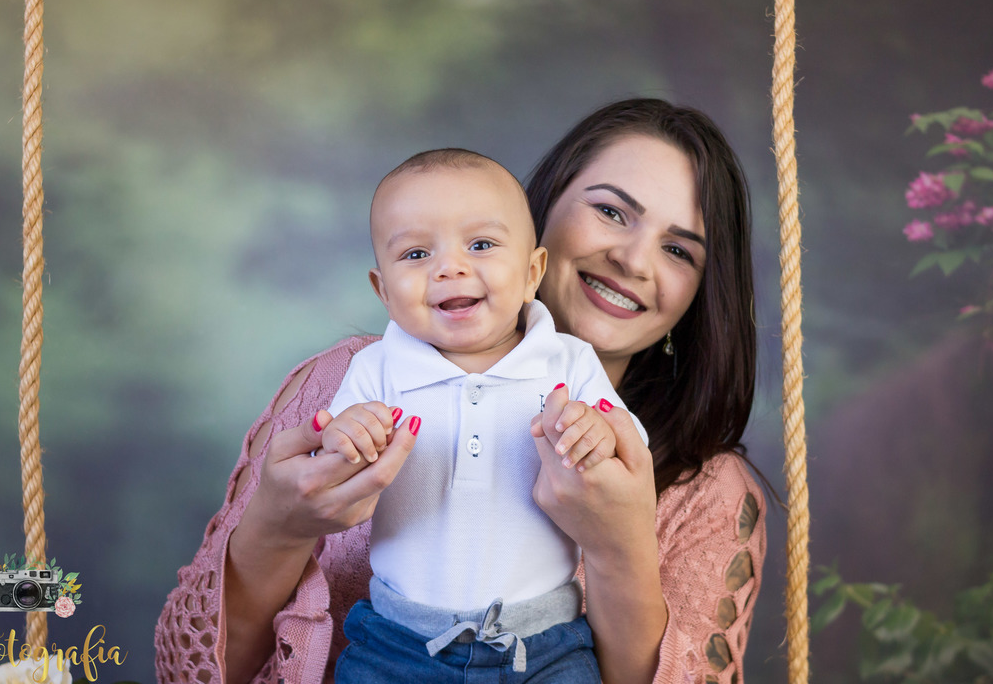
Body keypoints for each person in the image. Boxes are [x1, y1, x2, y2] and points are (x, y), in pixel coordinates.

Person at [155, 98, 767, 684]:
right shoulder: (351, 381)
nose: (634, 260)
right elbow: (187, 674)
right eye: (611, 211)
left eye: (678, 250)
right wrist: (279, 529)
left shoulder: (710, 497)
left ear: (698, 295)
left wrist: (619, 550)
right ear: (538, 222)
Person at [320, 148, 644, 682]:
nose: (451, 266)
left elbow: (631, 450)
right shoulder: (377, 368)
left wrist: (598, 433)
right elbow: (333, 461)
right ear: (383, 290)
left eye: (482, 245)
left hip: (542, 646)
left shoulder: (567, 360)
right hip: (397, 644)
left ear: (531, 273)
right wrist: (345, 436)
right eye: (416, 255)